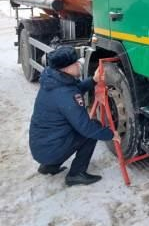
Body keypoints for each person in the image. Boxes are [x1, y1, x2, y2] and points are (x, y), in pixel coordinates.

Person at [29, 46, 121, 186]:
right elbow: (86, 128)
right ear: (65, 69)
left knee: (73, 128)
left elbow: (74, 89)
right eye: (75, 64)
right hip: (50, 150)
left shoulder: (54, 80)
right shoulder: (64, 94)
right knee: (93, 128)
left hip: (41, 147)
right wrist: (111, 134)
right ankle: (76, 174)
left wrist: (94, 80)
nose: (79, 65)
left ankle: (49, 166)